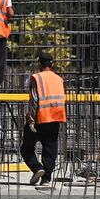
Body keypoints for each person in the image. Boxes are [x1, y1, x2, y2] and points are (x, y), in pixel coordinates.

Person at [22, 53, 67, 187]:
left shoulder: (37, 77)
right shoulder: (59, 79)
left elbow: (34, 99)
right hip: (56, 118)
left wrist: (31, 119)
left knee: (26, 148)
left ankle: (37, 168)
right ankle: (46, 178)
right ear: (52, 64)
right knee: (50, 149)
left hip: (40, 118)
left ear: (39, 64)